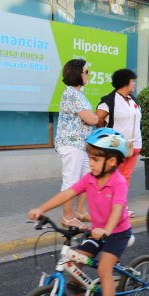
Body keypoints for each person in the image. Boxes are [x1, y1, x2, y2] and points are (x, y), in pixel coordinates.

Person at [29, 128, 133, 296]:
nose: (91, 162)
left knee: (104, 269)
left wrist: (106, 230)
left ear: (112, 161)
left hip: (116, 233)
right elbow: (68, 193)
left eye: (95, 159)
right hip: (96, 233)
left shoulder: (118, 182)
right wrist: (42, 209)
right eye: (90, 158)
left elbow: (117, 209)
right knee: (74, 262)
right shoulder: (89, 179)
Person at [54, 59, 99, 229]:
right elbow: (91, 118)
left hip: (82, 144)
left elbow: (90, 118)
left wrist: (92, 118)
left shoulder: (78, 94)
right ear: (77, 74)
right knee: (71, 181)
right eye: (86, 71)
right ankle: (67, 217)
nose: (88, 75)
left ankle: (79, 211)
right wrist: (93, 118)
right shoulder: (72, 94)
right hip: (71, 144)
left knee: (86, 178)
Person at [96, 68, 141, 218]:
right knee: (116, 177)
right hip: (118, 146)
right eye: (132, 81)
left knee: (125, 178)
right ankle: (112, 208)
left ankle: (121, 206)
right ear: (124, 83)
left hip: (134, 146)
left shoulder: (133, 99)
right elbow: (98, 120)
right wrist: (108, 137)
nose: (134, 84)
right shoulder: (109, 101)